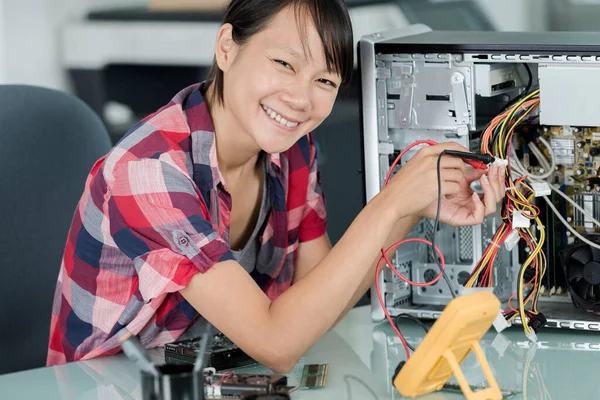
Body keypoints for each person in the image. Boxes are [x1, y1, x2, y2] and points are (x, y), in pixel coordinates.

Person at [47, 0, 505, 372]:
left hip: (218, 376)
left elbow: (326, 301)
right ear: (227, 47)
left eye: (324, 80)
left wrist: (413, 203)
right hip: (113, 386)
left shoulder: (291, 152)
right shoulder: (148, 170)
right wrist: (391, 202)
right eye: (284, 63)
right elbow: (277, 342)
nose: (302, 99)